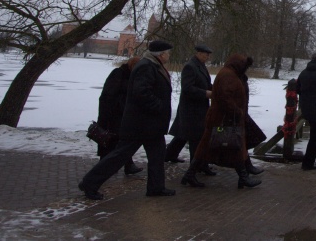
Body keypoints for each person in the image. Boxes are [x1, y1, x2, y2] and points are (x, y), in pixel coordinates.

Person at [78, 40, 176, 200]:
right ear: (161, 54)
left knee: (157, 156)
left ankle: (156, 187)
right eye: (167, 53)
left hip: (150, 125)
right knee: (119, 156)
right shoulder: (146, 66)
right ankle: (90, 182)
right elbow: (141, 93)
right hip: (141, 124)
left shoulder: (153, 66)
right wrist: (159, 106)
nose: (169, 56)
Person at [181, 54, 261, 189]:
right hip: (224, 120)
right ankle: (243, 177)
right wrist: (237, 111)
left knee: (209, 148)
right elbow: (226, 98)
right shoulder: (228, 76)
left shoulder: (229, 74)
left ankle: (190, 174)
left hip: (222, 119)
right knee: (233, 147)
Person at [164, 45, 216, 178]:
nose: (207, 57)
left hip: (198, 108)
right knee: (196, 139)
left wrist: (215, 89)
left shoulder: (200, 66)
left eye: (208, 55)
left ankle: (171, 156)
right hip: (191, 110)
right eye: (206, 54)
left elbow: (204, 83)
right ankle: (196, 167)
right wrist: (206, 93)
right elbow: (187, 88)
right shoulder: (190, 67)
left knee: (185, 135)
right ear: (198, 53)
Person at [96, 56, 143, 175]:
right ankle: (104, 167)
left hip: (123, 114)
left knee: (122, 141)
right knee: (111, 140)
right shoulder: (118, 74)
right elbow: (108, 95)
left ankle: (128, 165)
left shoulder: (131, 76)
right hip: (113, 115)